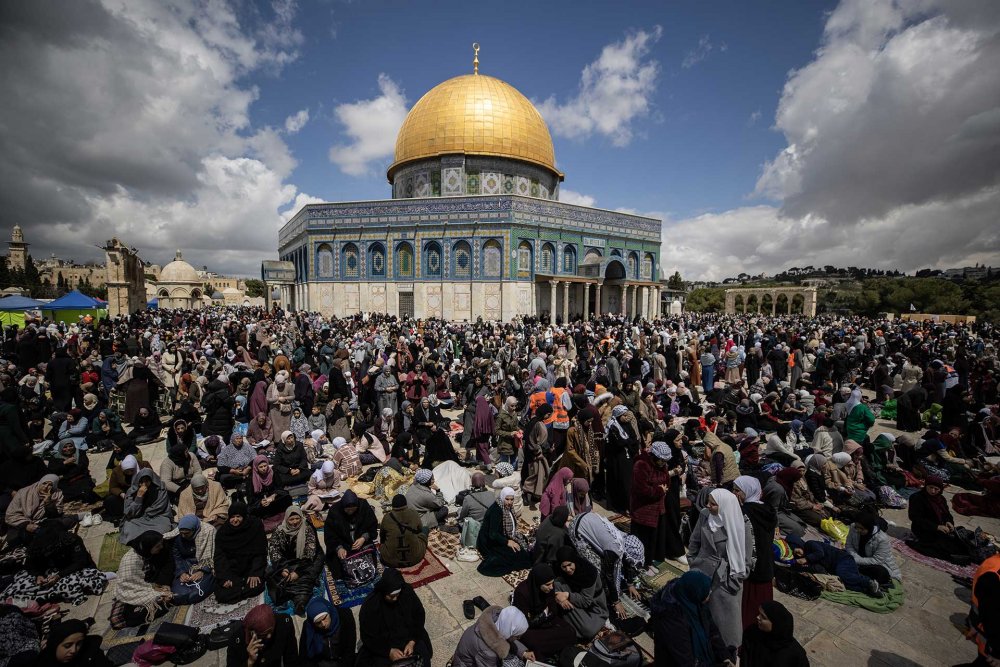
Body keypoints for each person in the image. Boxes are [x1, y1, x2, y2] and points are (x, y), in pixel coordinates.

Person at [687, 488, 755, 653]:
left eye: (713, 504)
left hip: (725, 582)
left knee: (724, 630)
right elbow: (694, 541)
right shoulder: (704, 515)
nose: (708, 506)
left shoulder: (741, 523)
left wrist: (735, 578)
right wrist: (693, 561)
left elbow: (748, 558)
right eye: (708, 502)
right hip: (701, 574)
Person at [566, 511, 644, 631]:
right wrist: (616, 601)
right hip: (577, 528)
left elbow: (627, 563)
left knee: (605, 561)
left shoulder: (624, 540)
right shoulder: (615, 548)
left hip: (587, 518)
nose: (632, 565)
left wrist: (629, 583)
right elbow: (609, 575)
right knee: (597, 571)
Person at [1, 522, 106, 605]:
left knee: (73, 584)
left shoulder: (70, 540)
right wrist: (38, 576)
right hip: (50, 574)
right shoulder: (37, 548)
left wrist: (59, 575)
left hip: (72, 570)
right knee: (20, 586)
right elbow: (31, 565)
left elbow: (80, 562)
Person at [649, 570, 734, 667]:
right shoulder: (672, 619)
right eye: (707, 592)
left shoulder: (694, 601)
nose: (709, 594)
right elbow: (685, 661)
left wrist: (725, 656)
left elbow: (712, 631)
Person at [357, 568, 433, 667]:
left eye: (397, 595)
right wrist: (388, 651)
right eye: (391, 596)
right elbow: (368, 635)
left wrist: (412, 642)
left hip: (409, 638)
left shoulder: (406, 593)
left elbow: (419, 616)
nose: (395, 598)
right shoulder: (371, 606)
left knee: (423, 658)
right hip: (384, 645)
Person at [733, 476, 777, 631]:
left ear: (748, 491)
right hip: (766, 566)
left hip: (751, 570)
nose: (735, 494)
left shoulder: (744, 512)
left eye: (738, 490)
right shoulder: (767, 510)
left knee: (748, 611)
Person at [511, 563, 577, 661]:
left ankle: (554, 649)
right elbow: (523, 623)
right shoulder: (522, 593)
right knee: (536, 643)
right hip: (529, 627)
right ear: (537, 583)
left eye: (552, 583)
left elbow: (553, 609)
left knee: (571, 632)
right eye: (547, 584)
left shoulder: (550, 587)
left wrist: (546, 615)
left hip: (547, 620)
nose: (551, 587)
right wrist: (543, 615)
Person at [267, 506, 325, 614]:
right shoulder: (280, 530)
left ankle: (300, 602)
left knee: (307, 576)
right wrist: (282, 568)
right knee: (274, 574)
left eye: (297, 518)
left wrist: (298, 572)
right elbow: (274, 549)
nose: (295, 522)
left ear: (301, 517)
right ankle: (296, 596)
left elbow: (310, 553)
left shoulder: (308, 528)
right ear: (286, 519)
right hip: (288, 561)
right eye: (291, 519)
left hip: (309, 559)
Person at [114, 531, 175, 627]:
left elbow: (168, 563)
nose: (161, 547)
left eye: (161, 545)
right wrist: (155, 589)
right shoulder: (131, 561)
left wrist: (164, 584)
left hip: (153, 578)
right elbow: (130, 584)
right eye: (158, 546)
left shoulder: (161, 545)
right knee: (117, 620)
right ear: (148, 548)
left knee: (167, 598)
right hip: (136, 586)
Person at [907, 476, 971, 564]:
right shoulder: (917, 497)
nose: (933, 491)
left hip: (941, 528)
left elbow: (947, 514)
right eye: (930, 487)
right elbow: (915, 518)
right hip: (923, 529)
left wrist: (949, 522)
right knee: (945, 546)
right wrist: (936, 527)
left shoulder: (941, 499)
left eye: (936, 489)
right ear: (926, 486)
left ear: (940, 489)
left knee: (961, 540)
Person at [214, 502, 267, 604]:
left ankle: (240, 589)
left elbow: (260, 552)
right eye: (232, 517)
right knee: (222, 595)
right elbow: (220, 558)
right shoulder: (223, 533)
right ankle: (240, 588)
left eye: (238, 516)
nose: (235, 520)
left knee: (255, 587)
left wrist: (255, 572)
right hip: (233, 570)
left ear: (244, 516)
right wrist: (224, 577)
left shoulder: (255, 526)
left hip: (251, 568)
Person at [553, 545, 609, 641]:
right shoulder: (561, 570)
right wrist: (561, 599)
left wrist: (567, 595)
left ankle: (568, 620)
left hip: (594, 606)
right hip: (576, 595)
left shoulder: (588, 573)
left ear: (574, 561)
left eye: (570, 565)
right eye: (564, 567)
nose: (568, 570)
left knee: (588, 630)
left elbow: (585, 601)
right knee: (556, 584)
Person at [630, 440, 671, 566]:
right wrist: (659, 490)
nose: (663, 463)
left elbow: (666, 479)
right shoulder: (641, 465)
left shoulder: (661, 465)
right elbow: (641, 489)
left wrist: (664, 488)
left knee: (653, 538)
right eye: (662, 460)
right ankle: (640, 563)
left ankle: (649, 561)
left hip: (657, 508)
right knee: (642, 539)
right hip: (643, 509)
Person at [451, 605, 533, 667]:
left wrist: (523, 653)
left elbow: (508, 637)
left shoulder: (497, 621)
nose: (519, 638)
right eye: (517, 636)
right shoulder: (487, 652)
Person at [477, 487, 532, 576]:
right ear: (502, 498)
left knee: (523, 541)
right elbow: (492, 534)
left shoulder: (506, 507)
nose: (509, 502)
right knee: (518, 555)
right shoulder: (497, 510)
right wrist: (507, 542)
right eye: (507, 499)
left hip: (501, 536)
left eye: (511, 499)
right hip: (489, 542)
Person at [323, 489, 378, 579]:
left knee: (369, 567)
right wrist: (339, 548)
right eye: (348, 510)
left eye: (353, 510)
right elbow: (330, 534)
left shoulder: (363, 506)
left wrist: (364, 537)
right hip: (343, 544)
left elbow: (372, 525)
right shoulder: (335, 511)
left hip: (361, 543)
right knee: (339, 572)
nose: (350, 512)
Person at [225, 604, 300, 667]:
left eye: (271, 631)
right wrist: (250, 661)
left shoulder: (283, 624)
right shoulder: (237, 639)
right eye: (263, 633)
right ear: (252, 632)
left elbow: (291, 658)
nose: (269, 636)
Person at [5, 474, 70, 546]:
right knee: (12, 540)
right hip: (22, 522)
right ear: (40, 482)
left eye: (50, 485)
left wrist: (48, 502)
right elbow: (11, 515)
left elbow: (55, 515)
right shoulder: (23, 493)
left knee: (62, 523)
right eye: (44, 483)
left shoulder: (57, 494)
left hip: (43, 521)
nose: (46, 487)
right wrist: (26, 525)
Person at [740, 601, 809, 667]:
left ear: (776, 624)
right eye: (759, 614)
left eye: (763, 617)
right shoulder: (751, 634)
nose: (758, 617)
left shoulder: (795, 654)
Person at [845, 512, 901, 586]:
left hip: (875, 564)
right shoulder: (853, 527)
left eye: (862, 529)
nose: (858, 530)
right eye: (857, 527)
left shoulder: (882, 539)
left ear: (869, 527)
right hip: (857, 560)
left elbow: (877, 560)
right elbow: (849, 545)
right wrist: (854, 556)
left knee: (880, 573)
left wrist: (856, 560)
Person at [119, 469, 173, 545]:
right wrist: (139, 497)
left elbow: (160, 507)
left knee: (165, 526)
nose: (144, 485)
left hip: (157, 517)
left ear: (152, 480)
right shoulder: (131, 491)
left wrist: (145, 512)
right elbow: (129, 513)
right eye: (141, 482)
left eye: (147, 481)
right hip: (138, 518)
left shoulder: (160, 489)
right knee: (129, 527)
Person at [171, 514, 215, 604]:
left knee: (194, 595)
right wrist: (181, 573)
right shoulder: (178, 537)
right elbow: (177, 557)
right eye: (181, 533)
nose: (183, 536)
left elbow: (212, 555)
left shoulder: (208, 533)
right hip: (187, 566)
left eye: (186, 533)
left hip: (205, 566)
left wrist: (202, 571)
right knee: (177, 595)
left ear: (194, 529)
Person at [300, 597, 357, 667]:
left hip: (343, 661)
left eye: (324, 618)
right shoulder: (309, 627)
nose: (323, 624)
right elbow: (304, 655)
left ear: (329, 612)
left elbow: (350, 648)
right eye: (318, 623)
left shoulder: (345, 616)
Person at [32, 618, 113, 667]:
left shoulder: (90, 652)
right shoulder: (43, 663)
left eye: (78, 644)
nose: (74, 650)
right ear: (55, 645)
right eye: (67, 645)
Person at [605, 405, 640, 514]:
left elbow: (634, 438)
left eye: (626, 415)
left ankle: (629, 505)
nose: (626, 418)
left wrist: (628, 442)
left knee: (629, 482)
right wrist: (628, 441)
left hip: (628, 457)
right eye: (624, 415)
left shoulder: (627, 424)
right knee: (619, 481)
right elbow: (618, 443)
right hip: (617, 459)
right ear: (618, 415)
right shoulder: (612, 427)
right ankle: (620, 505)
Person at [379, 495, 428, 568]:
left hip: (390, 561)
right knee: (425, 529)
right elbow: (419, 530)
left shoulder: (387, 517)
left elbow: (382, 536)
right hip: (415, 558)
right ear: (406, 504)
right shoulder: (413, 513)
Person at [244, 454, 292, 520]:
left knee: (286, 497)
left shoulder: (273, 473)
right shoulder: (251, 479)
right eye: (261, 467)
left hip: (274, 499)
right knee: (250, 509)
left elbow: (280, 487)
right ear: (256, 468)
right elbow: (250, 498)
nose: (264, 469)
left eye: (265, 466)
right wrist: (261, 502)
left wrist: (273, 496)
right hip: (261, 503)